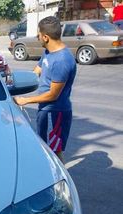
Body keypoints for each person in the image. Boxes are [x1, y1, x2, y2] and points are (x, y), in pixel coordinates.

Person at [14, 16, 76, 164]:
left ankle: (60, 180)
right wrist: (15, 83)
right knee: (43, 145)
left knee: (55, 151)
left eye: (39, 34)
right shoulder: (48, 52)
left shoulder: (62, 61)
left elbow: (53, 95)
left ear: (46, 37)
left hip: (56, 112)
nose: (37, 37)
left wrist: (25, 100)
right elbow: (36, 72)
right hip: (45, 109)